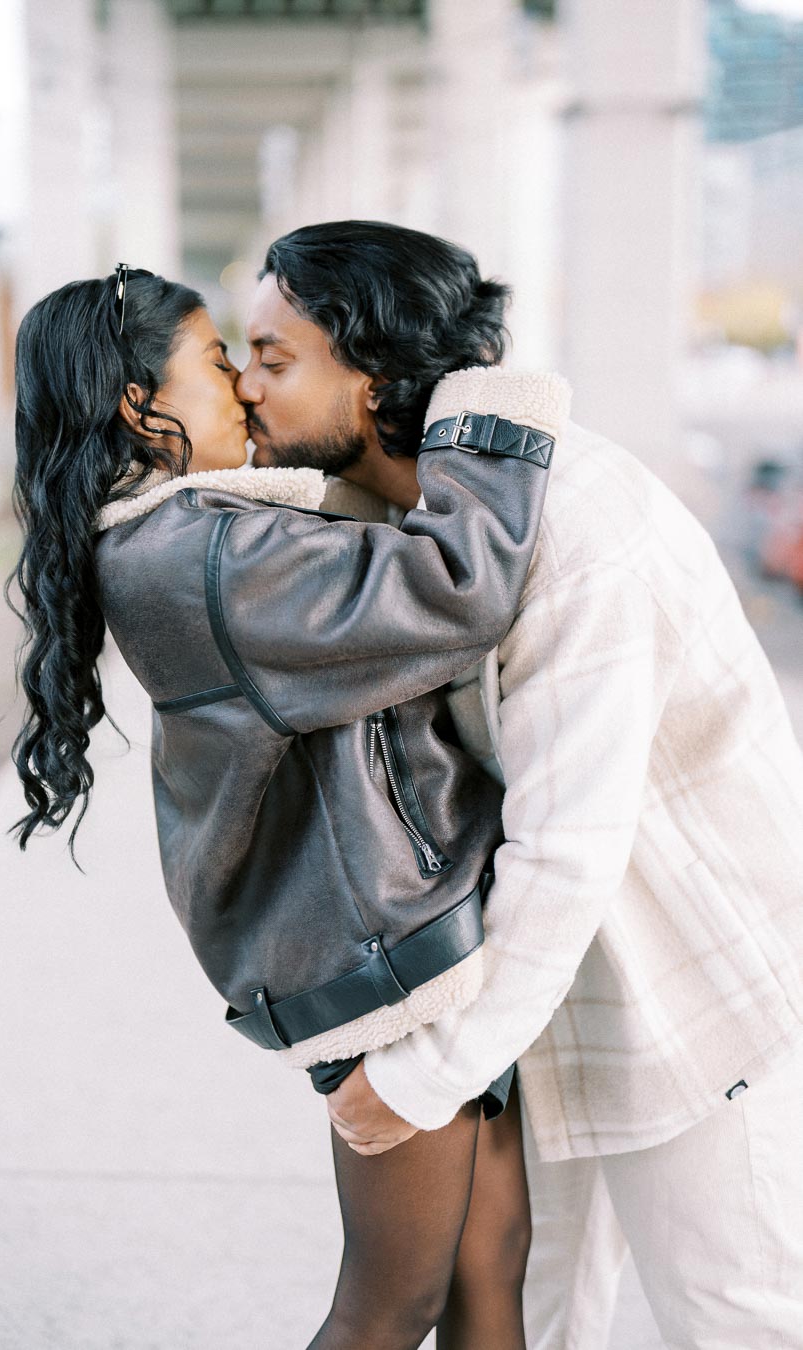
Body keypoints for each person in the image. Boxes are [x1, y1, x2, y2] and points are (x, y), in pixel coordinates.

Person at [238, 219, 803, 1348]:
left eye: (272, 357)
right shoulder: (384, 519)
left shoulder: (577, 529)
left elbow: (571, 849)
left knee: (732, 1313)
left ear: (379, 380)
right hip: (526, 996)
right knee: (526, 1317)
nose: (244, 387)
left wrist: (418, 1082)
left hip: (686, 985)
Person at [7, 262, 558, 1348]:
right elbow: (456, 590)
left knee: (487, 1266)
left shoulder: (195, 537)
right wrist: (491, 416)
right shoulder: (205, 555)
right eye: (221, 366)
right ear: (139, 405)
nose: (248, 391)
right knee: (388, 1306)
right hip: (384, 967)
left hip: (410, 947)